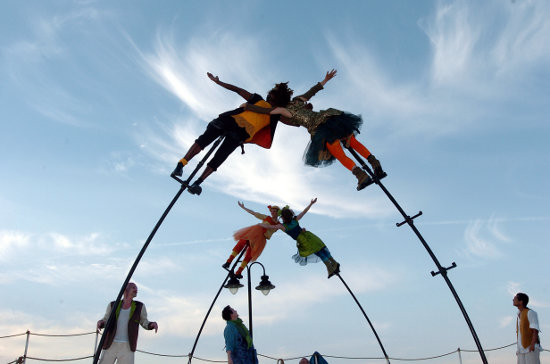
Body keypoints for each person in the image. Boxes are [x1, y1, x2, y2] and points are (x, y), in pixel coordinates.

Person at [243, 69, 386, 191]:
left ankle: (361, 175)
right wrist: (325, 80)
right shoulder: (298, 100)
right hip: (329, 118)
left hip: (319, 129)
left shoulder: (282, 110)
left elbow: (265, 111)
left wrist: (248, 107)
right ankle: (374, 162)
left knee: (339, 153)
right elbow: (312, 91)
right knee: (352, 141)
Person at [171, 72, 293, 195]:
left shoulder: (276, 114)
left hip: (236, 129)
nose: (270, 96)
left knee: (216, 153)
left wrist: (307, 117)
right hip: (232, 124)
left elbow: (292, 121)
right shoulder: (261, 101)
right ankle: (183, 166)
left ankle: (194, 179)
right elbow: (238, 90)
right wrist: (218, 82)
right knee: (209, 147)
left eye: (273, 95)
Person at [261, 198, 340, 278]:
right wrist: (311, 204)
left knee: (318, 251)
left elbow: (270, 226)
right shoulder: (294, 220)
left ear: (283, 217)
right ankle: (334, 262)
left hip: (303, 241)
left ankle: (329, 267)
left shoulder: (282, 226)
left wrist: (259, 225)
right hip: (309, 236)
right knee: (321, 248)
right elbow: (304, 212)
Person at [96, 283, 158, 364]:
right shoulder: (113, 305)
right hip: (110, 344)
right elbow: (106, 320)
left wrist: (152, 325)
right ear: (125, 290)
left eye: (136, 288)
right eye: (133, 288)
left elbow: (144, 322)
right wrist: (101, 322)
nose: (136, 290)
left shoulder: (139, 307)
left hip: (128, 346)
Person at [223, 202, 280, 278]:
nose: (272, 213)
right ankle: (228, 262)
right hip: (256, 232)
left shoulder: (279, 225)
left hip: (262, 238)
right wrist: (243, 207)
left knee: (250, 254)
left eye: (274, 211)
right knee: (241, 243)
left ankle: (238, 272)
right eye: (272, 211)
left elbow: (285, 228)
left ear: (278, 213)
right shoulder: (267, 217)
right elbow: (254, 213)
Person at [513, 292, 542, 364]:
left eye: (515, 298)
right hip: (521, 348)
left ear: (521, 301)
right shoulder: (519, 314)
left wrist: (532, 345)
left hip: (530, 347)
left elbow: (535, 330)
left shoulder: (530, 312)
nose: (513, 299)